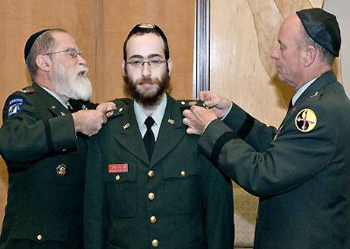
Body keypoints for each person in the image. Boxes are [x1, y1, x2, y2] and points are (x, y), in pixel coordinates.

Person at [183, 8, 350, 249]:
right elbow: (279, 147)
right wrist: (229, 114)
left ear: (308, 55)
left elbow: (262, 174)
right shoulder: (321, 99)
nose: (274, 54)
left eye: (282, 47)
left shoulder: (318, 111)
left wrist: (210, 129)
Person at [84, 23, 234, 249]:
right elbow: (95, 219)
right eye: (136, 62)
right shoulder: (106, 132)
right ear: (124, 67)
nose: (146, 72)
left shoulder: (198, 126)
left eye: (154, 61)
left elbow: (218, 215)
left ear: (169, 66)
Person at [0, 29, 117, 249]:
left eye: (81, 54)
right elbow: (12, 142)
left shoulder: (79, 108)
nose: (83, 61)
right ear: (44, 63)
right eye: (72, 54)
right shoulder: (26, 102)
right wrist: (75, 124)